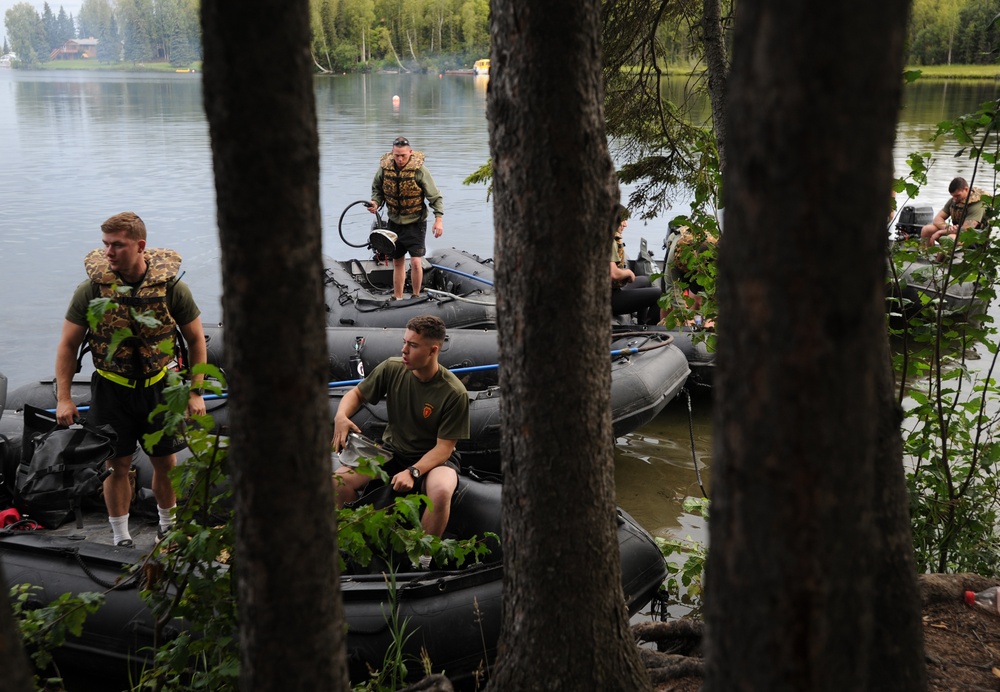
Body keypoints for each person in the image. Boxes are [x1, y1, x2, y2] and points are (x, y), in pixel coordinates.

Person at [54, 212, 207, 547]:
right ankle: (120, 537)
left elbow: (196, 339)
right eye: (106, 244)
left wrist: (195, 392)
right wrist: (63, 398)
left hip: (159, 385)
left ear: (140, 246)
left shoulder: (171, 287)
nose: (109, 252)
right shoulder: (92, 289)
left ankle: (168, 529)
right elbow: (67, 345)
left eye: (118, 245)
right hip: (112, 388)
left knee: (165, 462)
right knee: (116, 465)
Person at [332, 315, 469, 561]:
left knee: (440, 492)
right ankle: (355, 547)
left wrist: (413, 472)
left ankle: (423, 559)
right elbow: (356, 394)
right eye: (404, 342)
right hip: (392, 452)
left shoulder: (453, 392)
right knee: (337, 482)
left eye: (413, 345)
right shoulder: (392, 368)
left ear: (433, 350)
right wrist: (341, 416)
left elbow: (444, 449)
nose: (403, 350)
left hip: (434, 461)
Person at [369, 136, 445, 299]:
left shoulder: (419, 170)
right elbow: (377, 190)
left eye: (403, 155)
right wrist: (375, 203)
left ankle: (416, 295)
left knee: (416, 262)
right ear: (392, 153)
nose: (400, 159)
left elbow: (435, 197)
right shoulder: (384, 168)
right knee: (397, 262)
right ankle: (398, 297)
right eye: (397, 155)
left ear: (410, 152)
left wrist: (438, 220)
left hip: (415, 223)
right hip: (394, 223)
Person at [610, 204, 662, 325]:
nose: (626, 224)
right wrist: (627, 272)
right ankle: (649, 329)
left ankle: (641, 323)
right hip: (609, 298)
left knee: (645, 280)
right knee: (658, 294)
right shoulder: (609, 241)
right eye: (623, 220)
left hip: (611, 291)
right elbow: (612, 274)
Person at [919, 177, 986, 249]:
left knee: (949, 239)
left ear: (966, 189)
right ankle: (926, 255)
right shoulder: (954, 200)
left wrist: (941, 232)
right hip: (956, 232)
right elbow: (938, 219)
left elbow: (966, 229)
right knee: (927, 229)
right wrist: (949, 229)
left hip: (975, 239)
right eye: (953, 196)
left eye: (957, 195)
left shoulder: (977, 205)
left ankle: (938, 260)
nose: (955, 198)